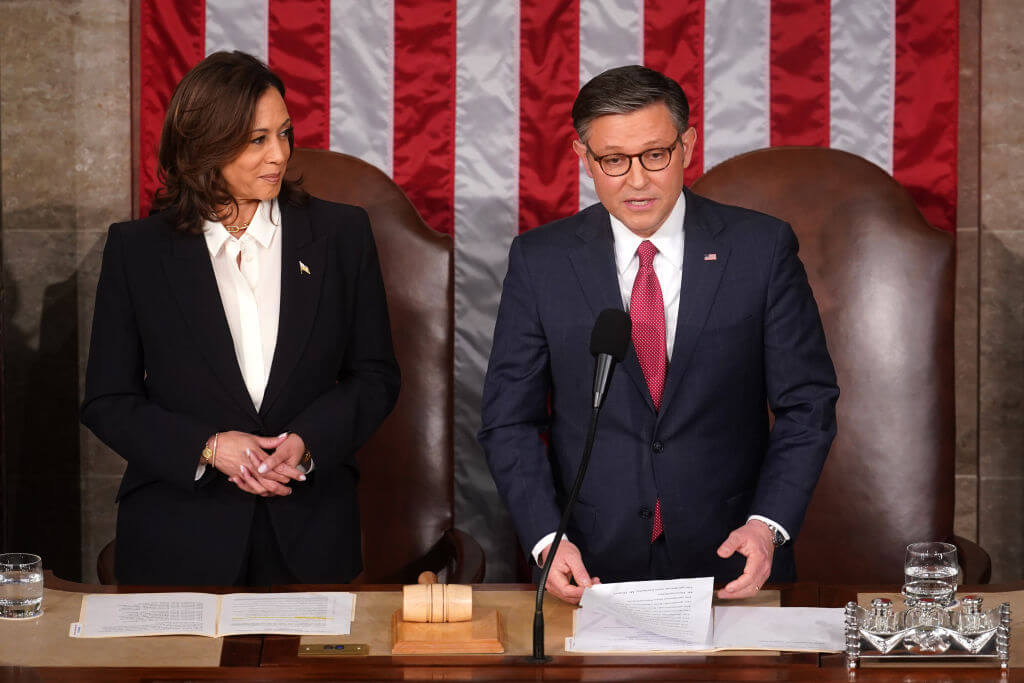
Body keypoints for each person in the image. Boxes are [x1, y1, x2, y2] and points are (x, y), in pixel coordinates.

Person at [479, 65, 838, 604]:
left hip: (733, 556)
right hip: (588, 562)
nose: (637, 180)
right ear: (583, 158)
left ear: (687, 146)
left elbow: (807, 404)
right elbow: (508, 419)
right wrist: (547, 537)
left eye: (654, 155)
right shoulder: (540, 261)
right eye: (613, 160)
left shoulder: (760, 249)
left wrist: (767, 525)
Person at [82, 51, 400, 585]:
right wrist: (209, 448)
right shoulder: (137, 250)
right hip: (177, 535)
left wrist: (307, 441)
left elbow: (376, 375)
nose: (279, 155)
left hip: (309, 531)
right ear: (202, 146)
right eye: (257, 140)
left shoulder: (342, 235)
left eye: (284, 133)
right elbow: (108, 401)